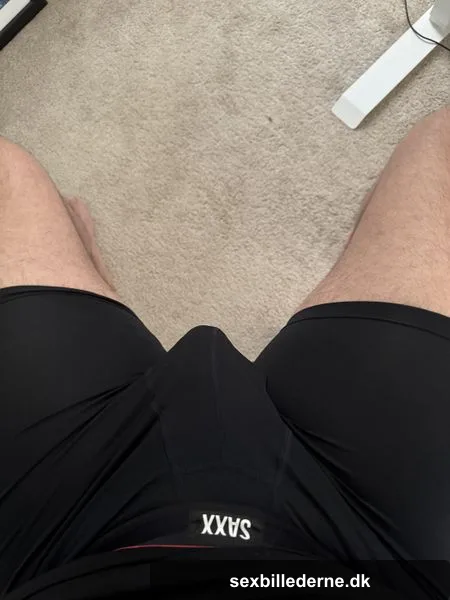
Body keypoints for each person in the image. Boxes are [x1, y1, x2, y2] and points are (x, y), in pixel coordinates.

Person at [1, 107, 450, 600]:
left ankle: (87, 281)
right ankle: (364, 255)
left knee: (9, 174)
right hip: (374, 553)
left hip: (55, 541)